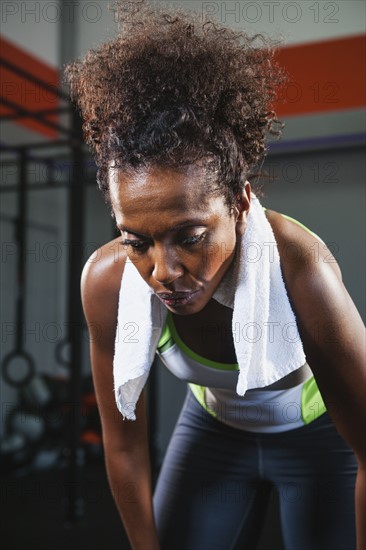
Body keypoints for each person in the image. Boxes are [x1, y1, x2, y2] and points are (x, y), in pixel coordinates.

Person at [65, 1, 365, 549]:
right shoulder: (106, 282)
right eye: (137, 241)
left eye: (190, 237)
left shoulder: (305, 272)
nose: (164, 271)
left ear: (241, 203)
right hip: (211, 432)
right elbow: (125, 448)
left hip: (321, 441)